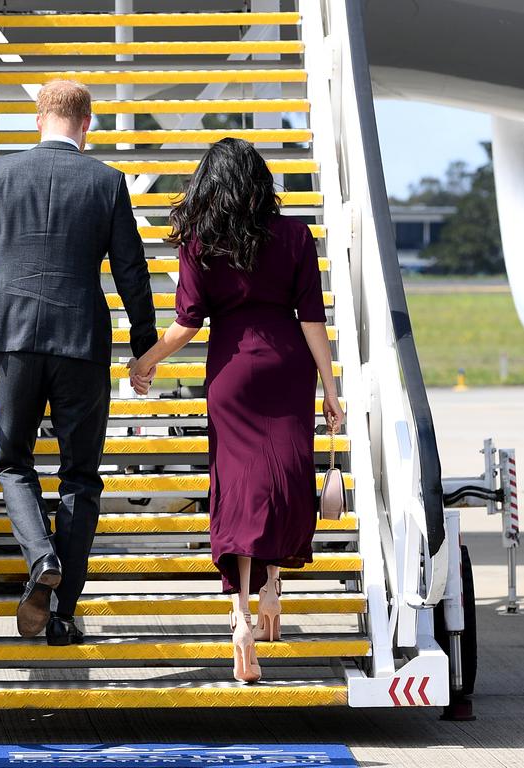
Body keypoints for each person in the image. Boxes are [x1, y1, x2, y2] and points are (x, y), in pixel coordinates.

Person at [129, 138, 345, 684]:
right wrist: (330, 386)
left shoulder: (199, 241)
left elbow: (187, 323)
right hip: (286, 366)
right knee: (284, 478)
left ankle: (241, 612)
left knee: (240, 485)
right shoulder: (296, 236)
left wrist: (146, 361)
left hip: (231, 371)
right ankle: (275, 585)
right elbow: (313, 320)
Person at [0, 80, 157, 646]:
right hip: (81, 340)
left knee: (13, 460)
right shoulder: (108, 182)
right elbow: (131, 272)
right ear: (86, 122)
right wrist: (145, 345)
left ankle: (41, 559)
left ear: (37, 118)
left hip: (12, 339)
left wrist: (5, 294)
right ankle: (63, 613)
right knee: (80, 477)